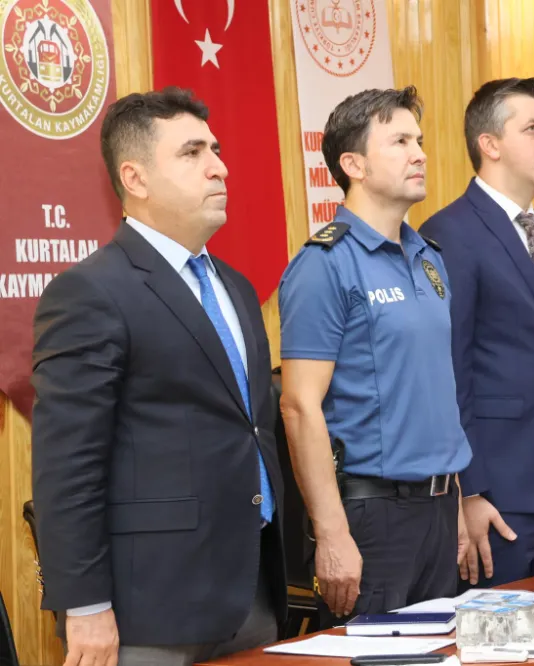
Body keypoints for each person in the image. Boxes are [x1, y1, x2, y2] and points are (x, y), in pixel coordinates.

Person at [31, 87, 286, 666]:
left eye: (216, 150)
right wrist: (84, 604)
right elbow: (67, 465)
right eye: (192, 153)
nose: (219, 167)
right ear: (135, 178)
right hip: (150, 611)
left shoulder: (237, 287)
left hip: (252, 591)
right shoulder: (90, 292)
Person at [278, 86, 471, 627]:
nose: (420, 154)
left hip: (438, 507)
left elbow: (434, 391)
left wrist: (453, 500)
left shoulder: (428, 258)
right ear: (354, 165)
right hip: (372, 514)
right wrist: (331, 532)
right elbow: (299, 406)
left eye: (420, 141)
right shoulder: (325, 264)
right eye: (400, 142)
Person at [420, 77, 534, 588]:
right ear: (490, 145)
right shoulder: (451, 232)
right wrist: (469, 491)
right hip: (497, 492)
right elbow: (450, 371)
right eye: (533, 128)